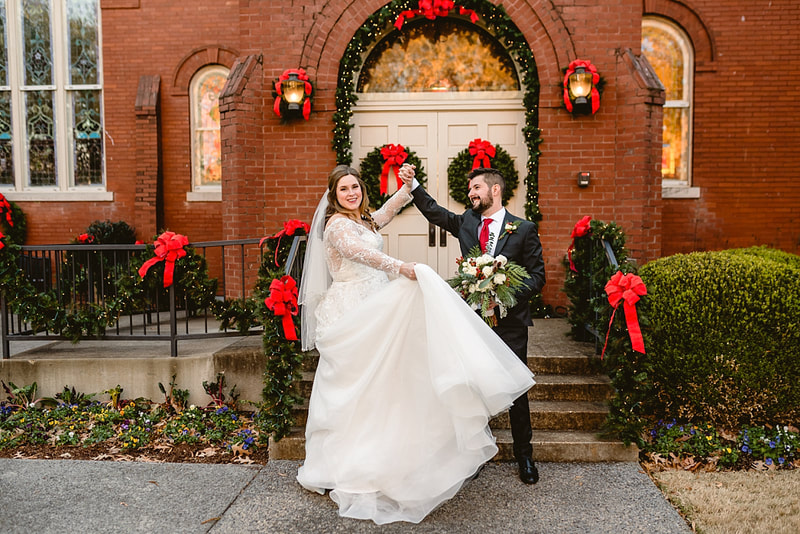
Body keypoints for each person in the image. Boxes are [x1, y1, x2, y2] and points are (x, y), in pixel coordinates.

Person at [296, 165, 535, 524]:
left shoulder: (364, 222)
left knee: (383, 384)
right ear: (333, 196)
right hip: (352, 311)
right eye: (344, 189)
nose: (351, 193)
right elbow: (362, 255)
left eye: (355, 187)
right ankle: (350, 459)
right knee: (355, 387)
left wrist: (408, 187)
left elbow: (385, 214)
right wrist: (401, 267)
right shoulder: (337, 226)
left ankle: (518, 454)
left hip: (384, 305)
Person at [399, 164, 546, 485]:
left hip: (510, 322)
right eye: (469, 190)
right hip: (473, 320)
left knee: (515, 388)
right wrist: (413, 186)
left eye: (476, 188)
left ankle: (525, 455)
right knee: (473, 385)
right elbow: (435, 213)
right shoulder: (467, 221)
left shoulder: (523, 228)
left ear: (495, 190)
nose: (471, 194)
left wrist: (503, 295)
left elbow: (538, 277)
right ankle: (478, 452)